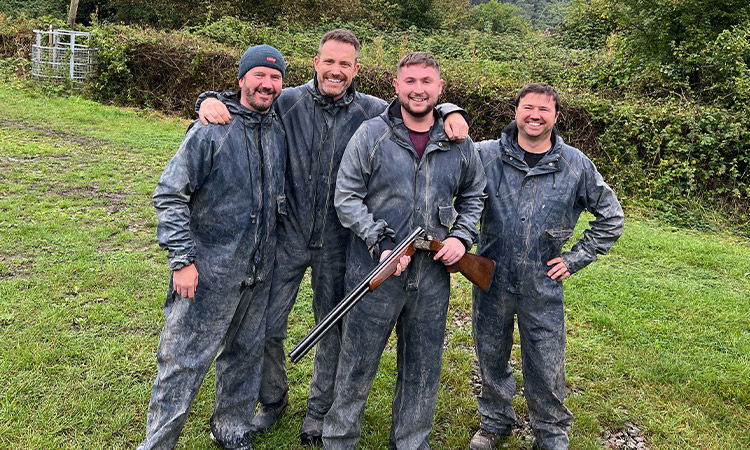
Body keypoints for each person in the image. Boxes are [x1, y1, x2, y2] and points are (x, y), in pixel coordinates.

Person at [195, 29, 470, 444]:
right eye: (330, 62)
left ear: (356, 69)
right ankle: (273, 398)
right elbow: (248, 99)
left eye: (345, 64)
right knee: (265, 326)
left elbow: (417, 105)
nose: (336, 71)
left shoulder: (372, 112)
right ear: (316, 63)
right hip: (285, 235)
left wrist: (451, 109)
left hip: (343, 241)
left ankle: (319, 414)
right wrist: (206, 100)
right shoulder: (287, 103)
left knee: (331, 329)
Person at [327, 51, 486, 449]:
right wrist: (378, 242)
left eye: (426, 82)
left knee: (423, 367)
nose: (418, 89)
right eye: (410, 82)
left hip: (432, 276)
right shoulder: (371, 134)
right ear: (395, 86)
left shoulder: (458, 142)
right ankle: (339, 440)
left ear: (439, 88)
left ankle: (412, 442)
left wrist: (461, 238)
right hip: (375, 270)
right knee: (356, 363)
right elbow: (346, 197)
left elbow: (475, 194)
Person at [137, 44, 287, 450]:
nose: (267, 84)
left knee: (244, 355)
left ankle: (232, 428)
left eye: (275, 77)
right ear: (241, 79)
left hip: (258, 271)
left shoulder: (277, 129)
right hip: (206, 272)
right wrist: (182, 259)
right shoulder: (211, 131)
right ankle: (158, 443)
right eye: (259, 75)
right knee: (182, 362)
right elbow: (170, 194)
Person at [469, 83, 624, 450]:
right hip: (490, 275)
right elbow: (444, 163)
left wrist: (574, 258)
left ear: (556, 116)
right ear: (516, 110)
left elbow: (611, 218)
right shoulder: (485, 156)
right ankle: (494, 422)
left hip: (543, 280)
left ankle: (551, 432)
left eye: (543, 109)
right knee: (490, 354)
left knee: (546, 361)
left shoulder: (574, 164)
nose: (534, 115)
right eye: (527, 107)